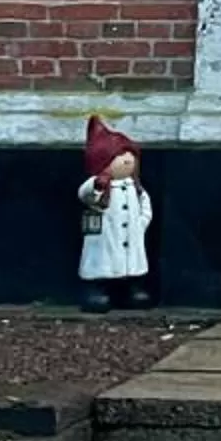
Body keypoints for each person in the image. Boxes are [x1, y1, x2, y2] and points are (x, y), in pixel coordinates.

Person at [77, 117, 155, 313]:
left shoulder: (134, 187)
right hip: (105, 236)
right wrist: (97, 187)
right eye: (120, 156)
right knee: (103, 262)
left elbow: (144, 204)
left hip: (131, 236)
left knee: (130, 264)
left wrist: (141, 222)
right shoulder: (100, 184)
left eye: (130, 155)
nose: (128, 160)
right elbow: (86, 195)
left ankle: (130, 290)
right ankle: (97, 291)